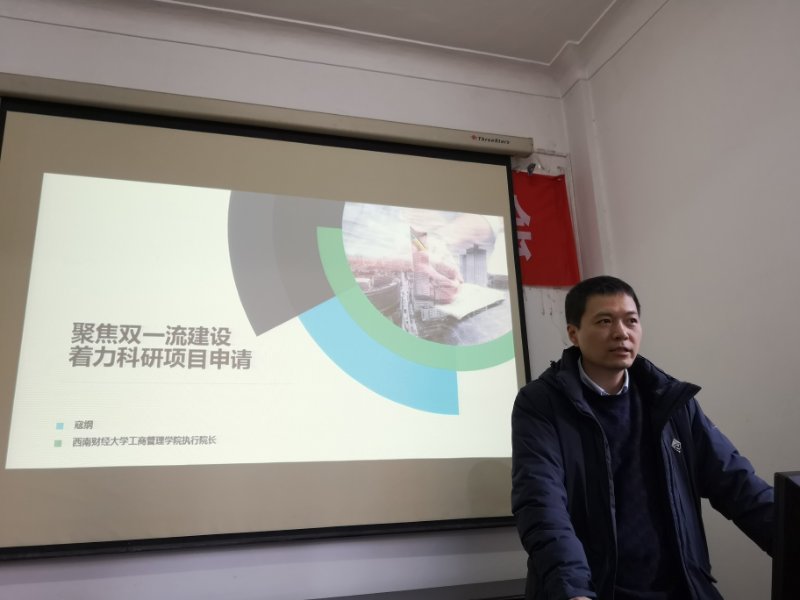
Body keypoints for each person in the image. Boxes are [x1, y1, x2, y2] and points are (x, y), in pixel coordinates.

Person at [511, 276, 774, 600]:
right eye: (605, 321)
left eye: (631, 321)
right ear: (573, 333)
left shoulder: (670, 401)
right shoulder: (542, 404)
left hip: (681, 589)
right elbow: (542, 503)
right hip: (594, 590)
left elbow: (737, 483)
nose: (621, 332)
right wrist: (573, 590)